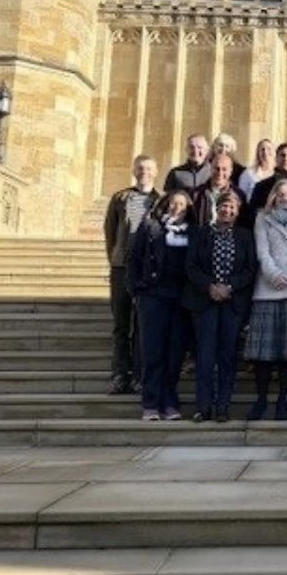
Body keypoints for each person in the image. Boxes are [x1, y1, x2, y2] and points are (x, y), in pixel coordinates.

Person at [184, 190, 258, 421]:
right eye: (224, 206)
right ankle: (203, 406)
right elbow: (191, 266)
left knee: (227, 357)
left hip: (232, 303)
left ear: (237, 212)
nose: (227, 211)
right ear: (217, 208)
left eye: (232, 208)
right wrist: (210, 287)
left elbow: (250, 269)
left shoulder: (245, 236)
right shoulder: (201, 233)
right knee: (205, 356)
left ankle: (223, 406)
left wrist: (229, 287)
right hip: (205, 302)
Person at [245, 179, 287, 420]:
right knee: (263, 352)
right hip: (267, 289)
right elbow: (262, 251)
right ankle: (261, 398)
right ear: (274, 196)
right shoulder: (261, 218)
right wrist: (274, 275)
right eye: (281, 195)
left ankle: (283, 398)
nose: (286, 199)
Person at [127, 189, 195, 421]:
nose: (177, 209)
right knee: (153, 351)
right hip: (153, 296)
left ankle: (169, 401)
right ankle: (150, 402)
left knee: (174, 353)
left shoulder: (193, 232)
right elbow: (133, 259)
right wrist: (136, 289)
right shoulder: (150, 227)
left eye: (182, 206)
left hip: (181, 299)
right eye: (173, 204)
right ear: (165, 204)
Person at [102, 155, 159, 395]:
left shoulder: (160, 200)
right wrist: (116, 259)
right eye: (140, 168)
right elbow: (110, 232)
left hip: (146, 270)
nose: (143, 172)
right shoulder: (120, 198)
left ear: (155, 172)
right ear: (134, 171)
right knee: (121, 325)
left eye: (148, 168)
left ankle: (138, 374)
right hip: (122, 267)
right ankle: (119, 374)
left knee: (142, 324)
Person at [192, 152, 246, 227]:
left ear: (231, 171)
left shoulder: (239, 195)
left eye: (224, 169)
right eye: (217, 168)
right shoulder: (196, 193)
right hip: (201, 237)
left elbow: (242, 223)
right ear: (210, 169)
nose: (220, 173)